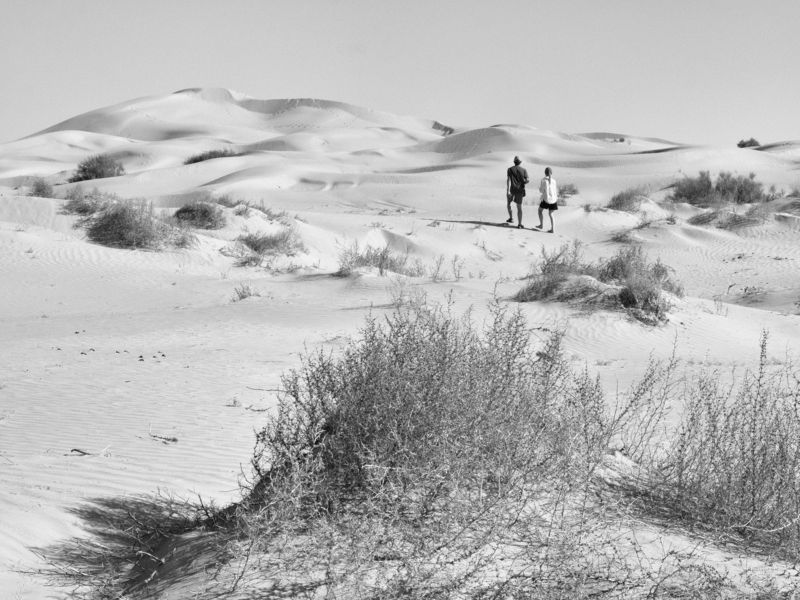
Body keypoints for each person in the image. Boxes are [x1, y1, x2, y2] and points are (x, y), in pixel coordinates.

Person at [506, 156, 529, 228]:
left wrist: (507, 191)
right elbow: (527, 180)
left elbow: (508, 180)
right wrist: (523, 182)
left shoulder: (509, 169)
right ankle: (519, 224)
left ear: (514, 162)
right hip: (520, 190)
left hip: (512, 190)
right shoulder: (524, 170)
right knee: (519, 207)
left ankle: (511, 218)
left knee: (509, 204)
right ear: (520, 162)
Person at [536, 167, 558, 233]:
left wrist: (540, 188)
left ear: (545, 173)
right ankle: (553, 229)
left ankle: (541, 225)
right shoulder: (554, 181)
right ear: (551, 173)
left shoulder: (543, 180)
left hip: (546, 199)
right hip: (554, 200)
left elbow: (541, 191)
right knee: (551, 214)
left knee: (540, 210)